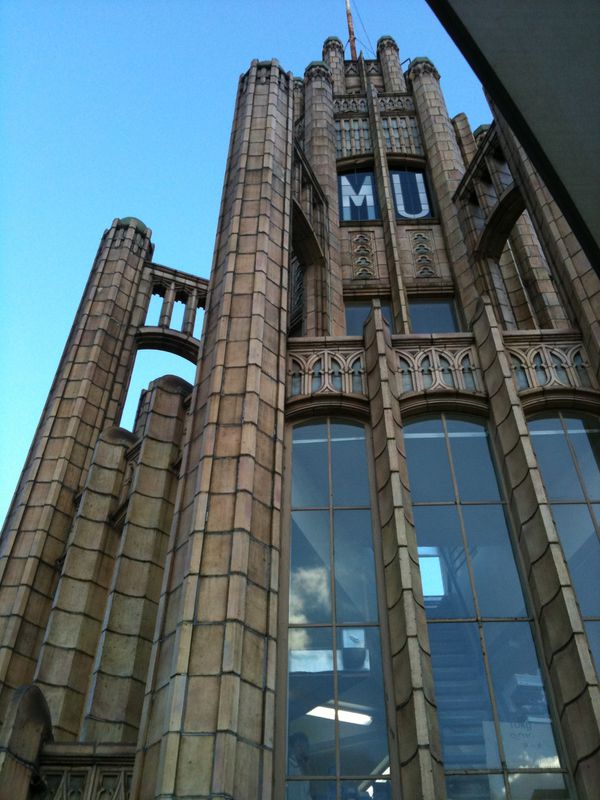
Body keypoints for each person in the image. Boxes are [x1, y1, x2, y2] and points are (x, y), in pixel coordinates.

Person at [287, 731, 312, 800]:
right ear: (292, 748)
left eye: (305, 746)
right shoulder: (287, 766)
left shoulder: (305, 767)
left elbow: (306, 794)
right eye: (299, 746)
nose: (303, 749)